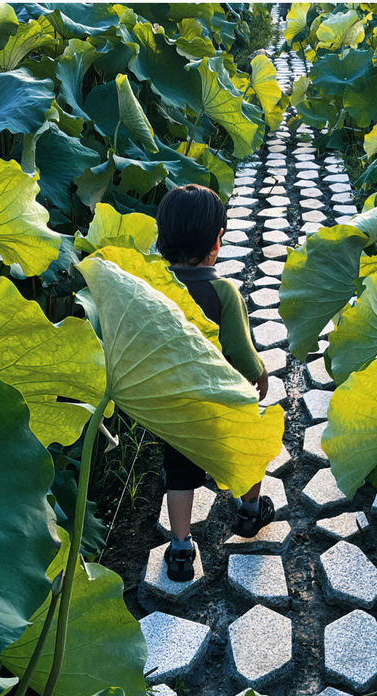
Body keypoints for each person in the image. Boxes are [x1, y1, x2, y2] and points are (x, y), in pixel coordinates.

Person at [156, 184, 275, 582]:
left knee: (180, 477)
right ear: (216, 241)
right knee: (248, 453)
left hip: (175, 409)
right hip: (221, 405)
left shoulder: (157, 289)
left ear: (163, 240)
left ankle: (180, 548)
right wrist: (260, 375)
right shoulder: (223, 291)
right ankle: (249, 512)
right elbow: (241, 352)